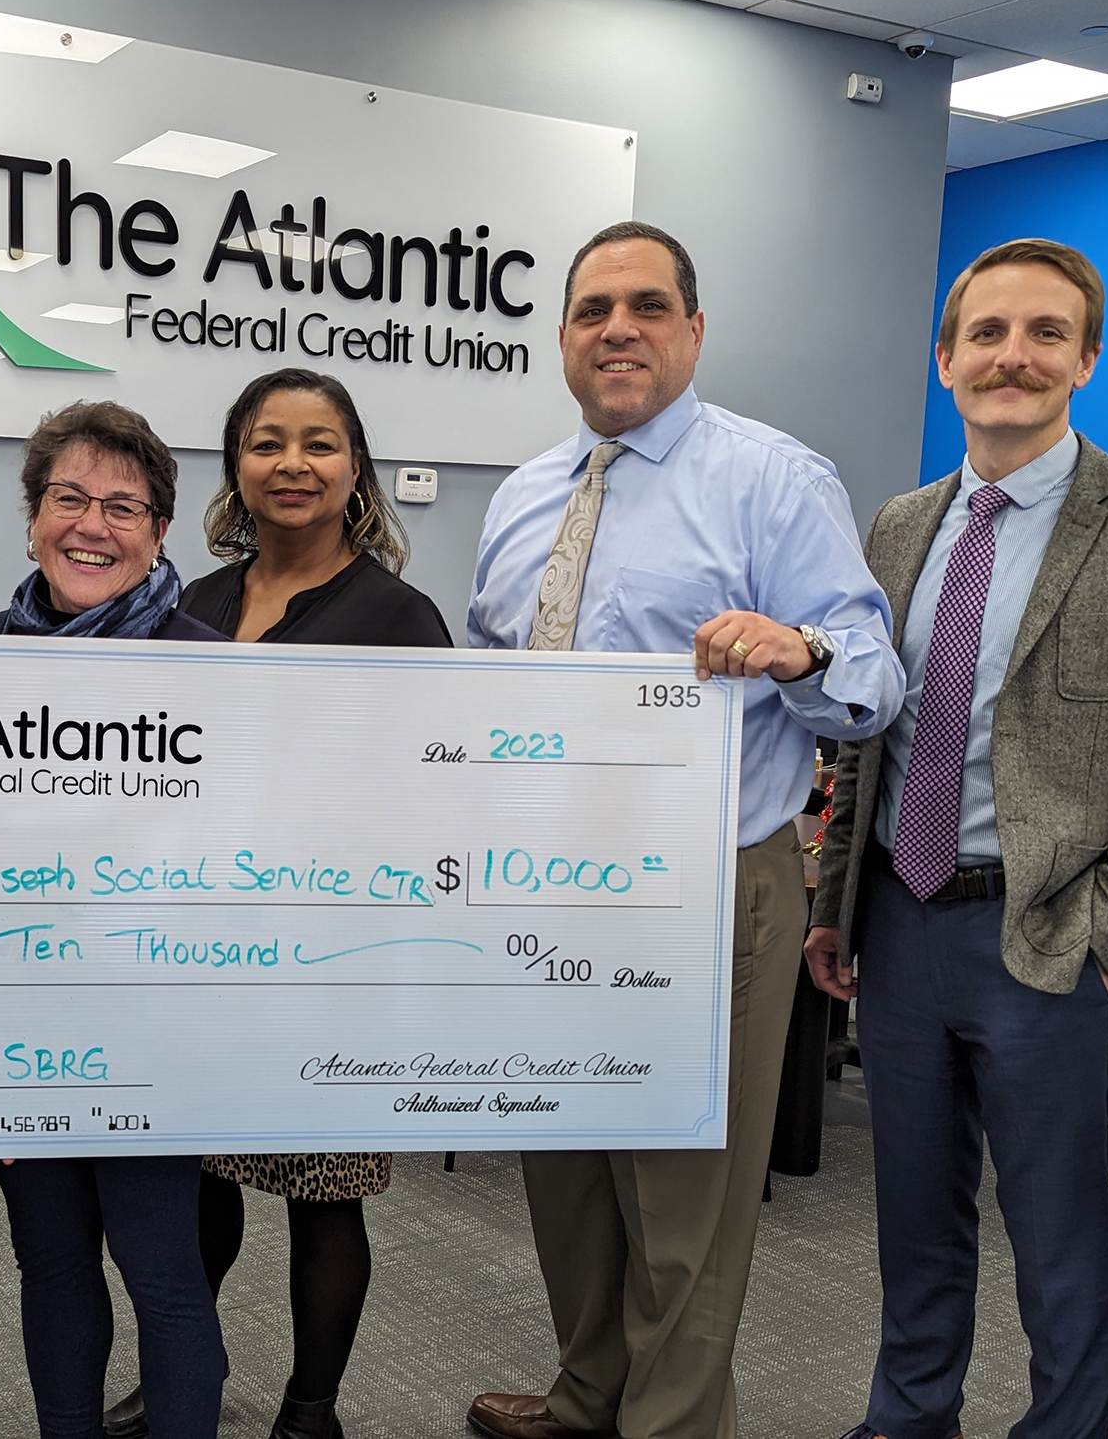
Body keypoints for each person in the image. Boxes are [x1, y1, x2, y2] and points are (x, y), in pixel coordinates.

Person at [463, 221, 905, 1439]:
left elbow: (870, 672)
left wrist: (797, 647)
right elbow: (488, 685)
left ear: (692, 331)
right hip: (543, 884)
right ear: (560, 338)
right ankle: (587, 1392)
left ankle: (664, 1425)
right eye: (592, 308)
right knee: (563, 1169)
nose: (618, 327)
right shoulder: (521, 497)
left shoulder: (770, 477)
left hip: (705, 885)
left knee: (681, 1197)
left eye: (647, 305)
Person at [805, 239, 1108, 1439]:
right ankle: (905, 1418)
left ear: (1085, 359)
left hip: (1043, 934)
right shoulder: (898, 524)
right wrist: (837, 909)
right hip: (893, 921)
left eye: (1045, 333)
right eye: (985, 333)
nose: (1012, 357)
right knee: (912, 1219)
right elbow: (863, 732)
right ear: (945, 360)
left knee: (1055, 1233)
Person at [107, 368, 448, 1439]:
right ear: (234, 467)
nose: (290, 465)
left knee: (320, 1190)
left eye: (317, 443)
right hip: (192, 956)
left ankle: (309, 1411)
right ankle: (182, 1372)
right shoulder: (186, 605)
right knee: (192, 1185)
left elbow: (434, 790)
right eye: (265, 443)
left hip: (328, 961)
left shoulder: (399, 616)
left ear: (354, 467)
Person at [0, 399, 228, 1439]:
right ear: (33, 518)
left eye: (124, 505)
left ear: (159, 530)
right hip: (20, 1024)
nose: (92, 524)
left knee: (163, 1273)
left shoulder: (213, 667)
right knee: (51, 1263)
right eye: (67, 498)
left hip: (155, 1028)